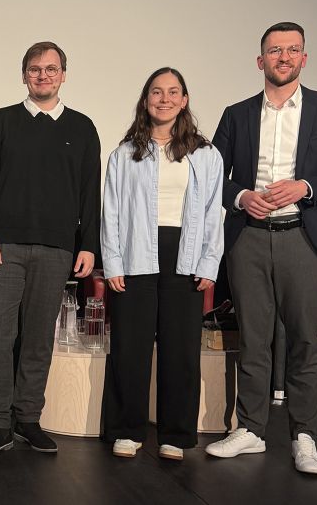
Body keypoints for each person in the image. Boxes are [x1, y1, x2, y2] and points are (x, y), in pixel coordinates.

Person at [207, 22, 317, 474]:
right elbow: (211, 173)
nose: (283, 57)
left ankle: (304, 436)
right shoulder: (236, 114)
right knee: (253, 339)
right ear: (261, 61)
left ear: (303, 58)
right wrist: (240, 196)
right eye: (274, 50)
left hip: (304, 236)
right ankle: (251, 430)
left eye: (292, 50)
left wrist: (306, 186)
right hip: (248, 238)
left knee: (304, 341)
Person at [0, 41, 100, 460]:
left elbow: (89, 194)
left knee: (39, 338)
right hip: (2, 248)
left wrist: (89, 246)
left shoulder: (82, 128)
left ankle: (28, 419)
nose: (43, 75)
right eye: (35, 69)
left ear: (64, 74)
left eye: (51, 69)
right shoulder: (0, 123)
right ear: (24, 74)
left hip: (57, 249)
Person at [101, 67, 223, 460]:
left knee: (181, 350)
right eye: (157, 92)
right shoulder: (124, 154)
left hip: (184, 257)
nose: (165, 99)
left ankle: (176, 434)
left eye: (173, 92)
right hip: (135, 256)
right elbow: (112, 213)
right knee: (129, 348)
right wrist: (113, 263)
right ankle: (127, 429)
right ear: (146, 99)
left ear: (184, 100)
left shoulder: (205, 155)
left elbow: (210, 212)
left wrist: (209, 261)